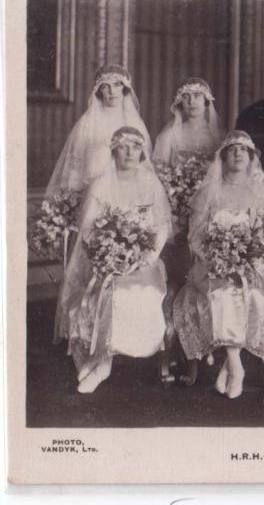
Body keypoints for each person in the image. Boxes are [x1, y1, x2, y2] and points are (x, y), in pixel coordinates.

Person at [53, 126, 171, 394]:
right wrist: (108, 255)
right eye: (124, 146)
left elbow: (162, 225)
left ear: (142, 152)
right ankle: (99, 360)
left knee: (133, 293)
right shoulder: (101, 183)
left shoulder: (150, 183)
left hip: (143, 261)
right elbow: (89, 229)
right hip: (105, 259)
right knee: (106, 289)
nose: (130, 152)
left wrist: (147, 255)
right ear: (114, 150)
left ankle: (102, 364)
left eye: (136, 146)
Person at [172, 131, 264, 399]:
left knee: (250, 296)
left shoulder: (261, 193)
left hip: (251, 265)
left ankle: (227, 368)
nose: (237, 154)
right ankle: (237, 367)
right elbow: (195, 235)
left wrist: (258, 259)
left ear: (251, 158)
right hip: (212, 266)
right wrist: (217, 259)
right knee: (222, 295)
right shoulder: (208, 192)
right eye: (232, 149)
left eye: (243, 150)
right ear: (222, 157)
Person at [152, 77, 224, 385]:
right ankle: (171, 351)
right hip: (176, 216)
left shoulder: (218, 138)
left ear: (208, 102)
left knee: (201, 282)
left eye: (199, 97)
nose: (193, 102)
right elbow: (158, 178)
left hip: (206, 220)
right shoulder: (169, 135)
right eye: (188, 96)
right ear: (179, 102)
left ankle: (201, 345)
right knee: (174, 283)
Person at [46, 64, 151, 197]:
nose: (112, 92)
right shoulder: (87, 123)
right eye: (105, 86)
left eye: (117, 85)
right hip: (95, 191)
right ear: (98, 91)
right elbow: (76, 170)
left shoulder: (135, 122)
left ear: (125, 88)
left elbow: (142, 165)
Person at [153, 77, 224, 165]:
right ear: (180, 102)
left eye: (197, 96)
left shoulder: (220, 136)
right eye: (186, 97)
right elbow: (161, 171)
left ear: (205, 100)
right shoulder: (169, 135)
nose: (191, 102)